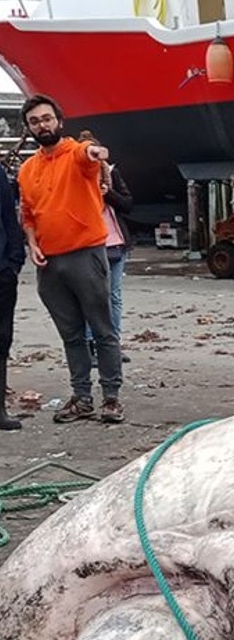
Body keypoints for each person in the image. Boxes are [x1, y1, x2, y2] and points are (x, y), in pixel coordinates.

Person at [17, 94, 125, 424]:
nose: (42, 125)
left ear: (59, 122)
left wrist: (95, 151)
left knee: (103, 328)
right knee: (71, 334)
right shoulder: (27, 169)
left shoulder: (75, 155)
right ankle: (82, 397)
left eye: (47, 119)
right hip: (50, 262)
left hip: (86, 254)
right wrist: (32, 245)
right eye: (35, 122)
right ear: (29, 128)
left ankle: (111, 397)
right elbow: (28, 214)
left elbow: (87, 154)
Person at [79, 131, 134, 365]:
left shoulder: (111, 173)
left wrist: (107, 192)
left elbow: (128, 204)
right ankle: (92, 345)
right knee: (93, 298)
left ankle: (112, 345)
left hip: (116, 244)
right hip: (91, 245)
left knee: (114, 297)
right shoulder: (77, 178)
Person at [0, 168, 25, 431]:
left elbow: (9, 215)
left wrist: (14, 261)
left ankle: (0, 411)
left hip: (2, 270)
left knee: (2, 337)